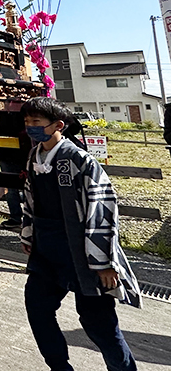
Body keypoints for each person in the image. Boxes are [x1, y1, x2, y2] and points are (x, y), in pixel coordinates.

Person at [20, 97, 140, 371]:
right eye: (27, 122)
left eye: (36, 122)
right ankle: (60, 367)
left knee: (98, 325)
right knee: (37, 308)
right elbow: (30, 201)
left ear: (57, 125)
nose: (30, 128)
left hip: (84, 253)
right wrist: (29, 236)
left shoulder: (78, 160)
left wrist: (105, 264)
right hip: (47, 252)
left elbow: (103, 208)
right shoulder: (33, 157)